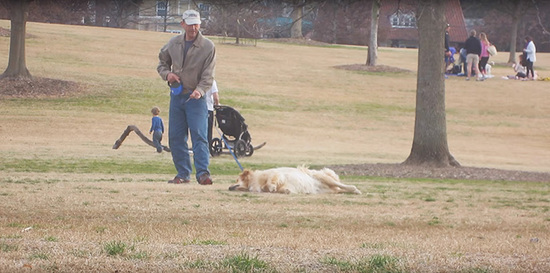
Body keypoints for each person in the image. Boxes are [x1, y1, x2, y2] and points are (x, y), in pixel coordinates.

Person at [157, 9, 216, 185]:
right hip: (177, 96)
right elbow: (162, 63)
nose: (194, 28)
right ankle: (183, 174)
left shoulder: (208, 47)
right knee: (176, 137)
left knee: (199, 136)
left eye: (196, 24)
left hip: (196, 99)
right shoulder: (173, 43)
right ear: (182, 24)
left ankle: (203, 174)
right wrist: (167, 74)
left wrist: (200, 90)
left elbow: (208, 75)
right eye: (190, 24)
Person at [206, 80, 220, 154]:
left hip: (199, 109)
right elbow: (216, 97)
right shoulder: (212, 81)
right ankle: (207, 149)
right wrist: (217, 105)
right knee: (208, 131)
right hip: (208, 108)